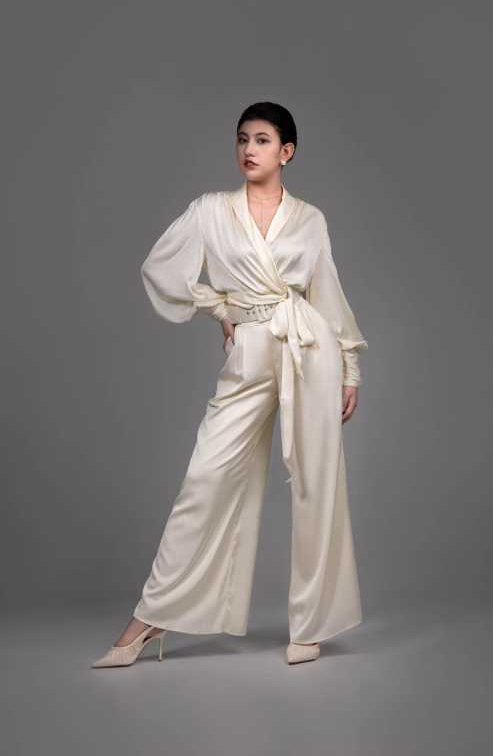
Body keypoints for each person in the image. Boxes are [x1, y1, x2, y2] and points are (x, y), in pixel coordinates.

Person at [92, 101, 368, 669]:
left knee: (316, 483)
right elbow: (162, 269)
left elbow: (328, 294)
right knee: (206, 477)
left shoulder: (310, 219)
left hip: (308, 348)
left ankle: (312, 624)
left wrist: (349, 368)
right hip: (249, 351)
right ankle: (153, 617)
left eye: (262, 140)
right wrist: (220, 307)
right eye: (243, 138)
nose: (248, 149)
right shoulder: (211, 210)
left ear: (287, 152)